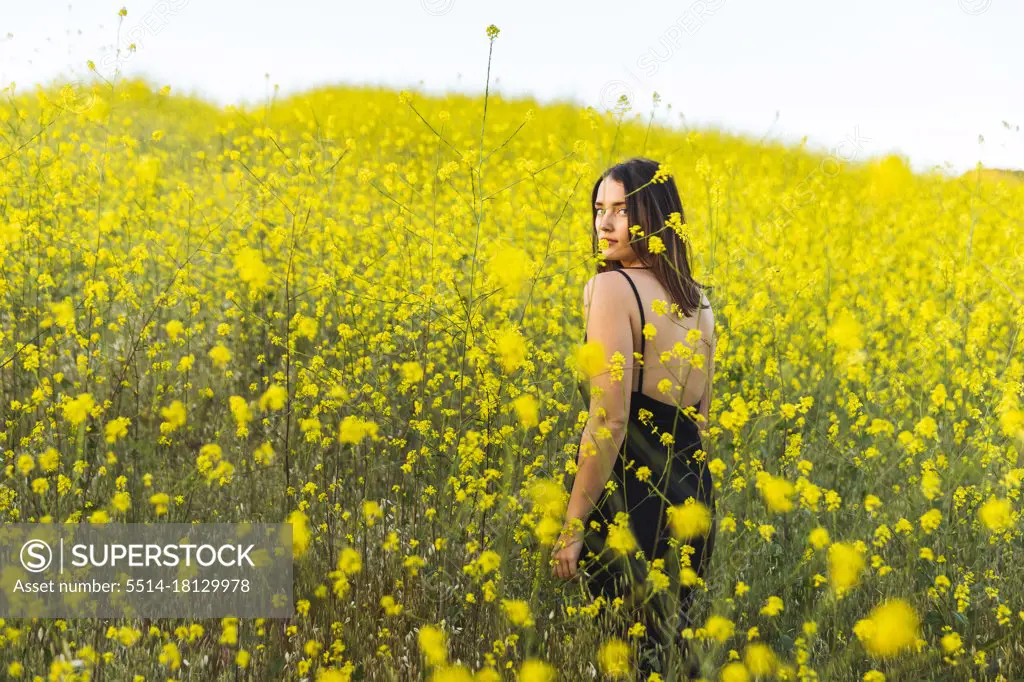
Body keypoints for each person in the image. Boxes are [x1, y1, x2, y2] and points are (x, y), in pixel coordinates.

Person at [552, 157, 717, 680]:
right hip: (694, 496)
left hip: (632, 501)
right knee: (674, 656)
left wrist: (573, 528)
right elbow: (702, 418)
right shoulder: (700, 302)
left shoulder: (610, 289)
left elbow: (610, 420)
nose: (604, 224)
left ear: (654, 216)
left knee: (626, 660)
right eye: (599, 209)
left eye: (621, 210)